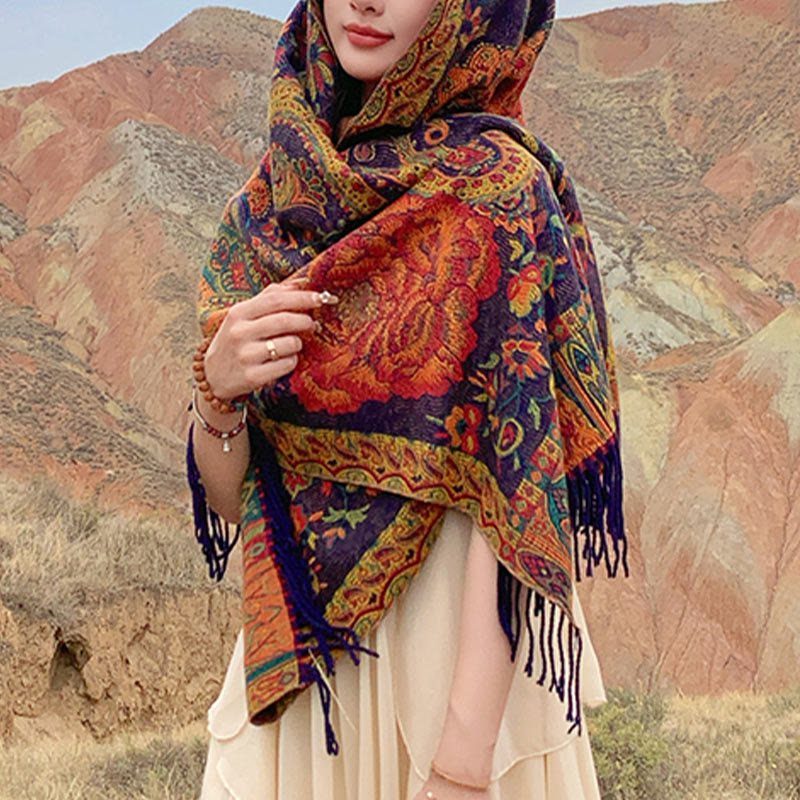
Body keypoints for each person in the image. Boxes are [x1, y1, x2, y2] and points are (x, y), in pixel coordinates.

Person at [188, 0, 626, 797]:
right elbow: (237, 506)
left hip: (462, 683)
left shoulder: (499, 195)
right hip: (299, 678)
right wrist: (218, 390)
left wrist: (462, 762)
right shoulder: (270, 207)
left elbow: (519, 489)